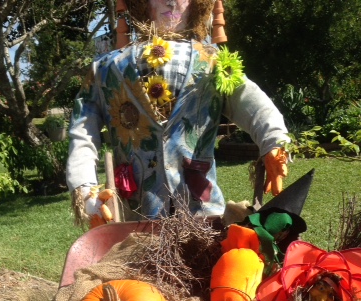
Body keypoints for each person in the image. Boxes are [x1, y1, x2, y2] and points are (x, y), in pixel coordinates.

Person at [66, 0, 290, 225]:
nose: (171, 2)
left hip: (204, 217)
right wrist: (85, 189)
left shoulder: (215, 64)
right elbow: (83, 131)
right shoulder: (106, 69)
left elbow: (255, 107)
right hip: (136, 220)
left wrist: (275, 144)